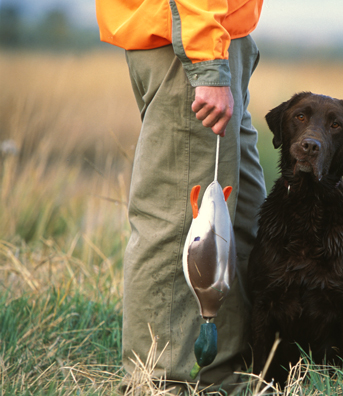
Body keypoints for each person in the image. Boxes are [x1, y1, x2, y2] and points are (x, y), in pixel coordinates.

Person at [96, 1, 266, 393]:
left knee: (241, 216)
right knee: (180, 225)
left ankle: (222, 378)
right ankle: (158, 383)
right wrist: (207, 65)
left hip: (217, 37)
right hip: (191, 42)